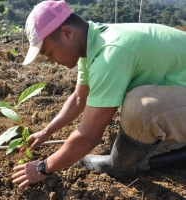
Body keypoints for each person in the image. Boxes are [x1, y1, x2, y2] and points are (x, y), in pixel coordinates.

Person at [12, 0, 186, 188]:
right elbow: (79, 98)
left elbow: (90, 135)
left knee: (141, 107)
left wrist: (44, 167)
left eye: (49, 53)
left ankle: (123, 166)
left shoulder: (109, 53)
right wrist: (46, 132)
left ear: (67, 33)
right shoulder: (93, 43)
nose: (52, 61)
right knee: (140, 137)